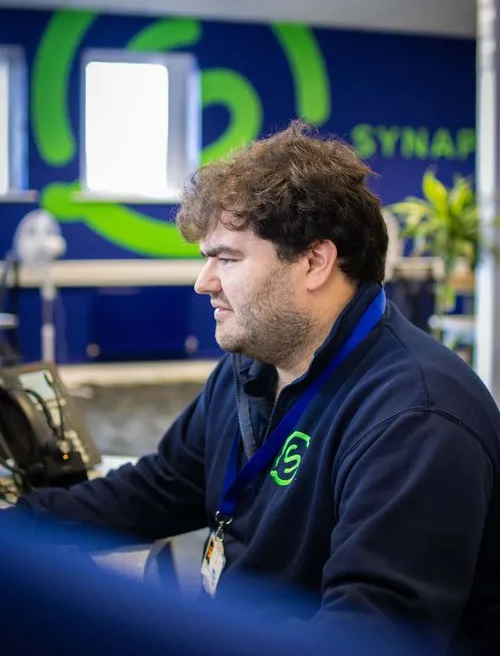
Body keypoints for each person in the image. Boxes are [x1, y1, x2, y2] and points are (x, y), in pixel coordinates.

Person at [9, 122, 500, 654]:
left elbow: (364, 638)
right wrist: (18, 528)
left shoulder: (416, 416)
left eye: (227, 258)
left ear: (315, 261)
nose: (204, 282)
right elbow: (160, 487)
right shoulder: (254, 364)